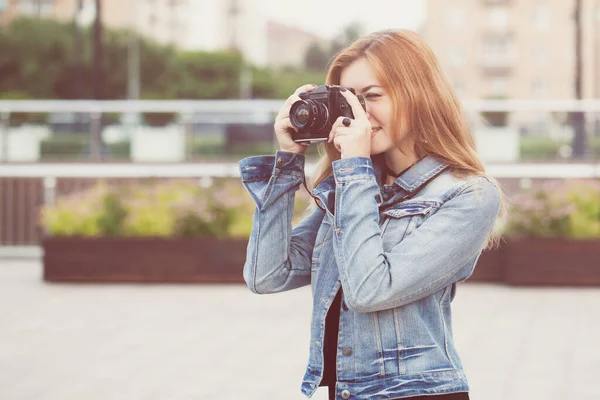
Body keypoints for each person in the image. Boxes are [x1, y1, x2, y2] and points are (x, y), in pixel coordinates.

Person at [238, 29, 503, 400]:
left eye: (372, 96)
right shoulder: (355, 184)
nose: (357, 113)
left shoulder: (467, 193)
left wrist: (355, 170)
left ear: (419, 95)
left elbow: (369, 290)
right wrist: (288, 160)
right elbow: (267, 275)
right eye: (347, 100)